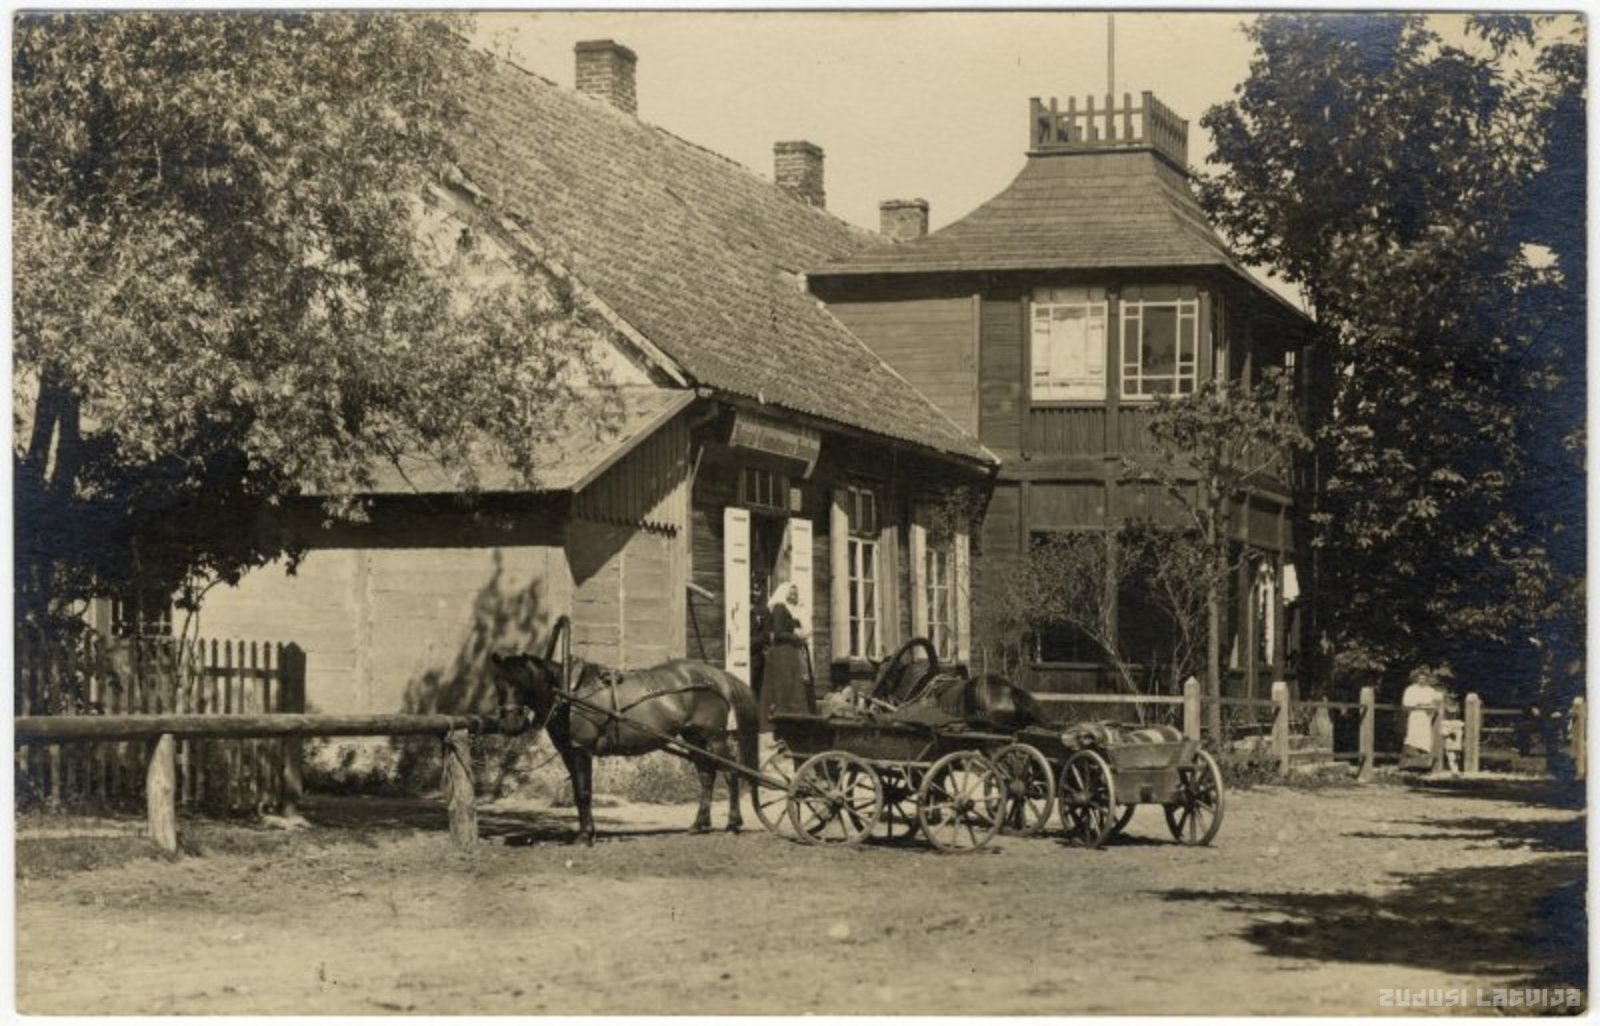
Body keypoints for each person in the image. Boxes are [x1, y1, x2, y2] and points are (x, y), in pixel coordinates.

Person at [1400, 666, 1447, 771]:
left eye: (1424, 678)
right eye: (1420, 678)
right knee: (1412, 738)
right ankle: (1409, 764)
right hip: (1415, 716)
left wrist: (1429, 706)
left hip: (1426, 718)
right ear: (1416, 678)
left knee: (1425, 739)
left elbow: (1436, 703)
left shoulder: (1430, 691)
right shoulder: (1410, 690)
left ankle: (1423, 765)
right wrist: (1417, 704)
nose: (1422, 680)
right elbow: (1406, 703)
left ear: (1427, 679)